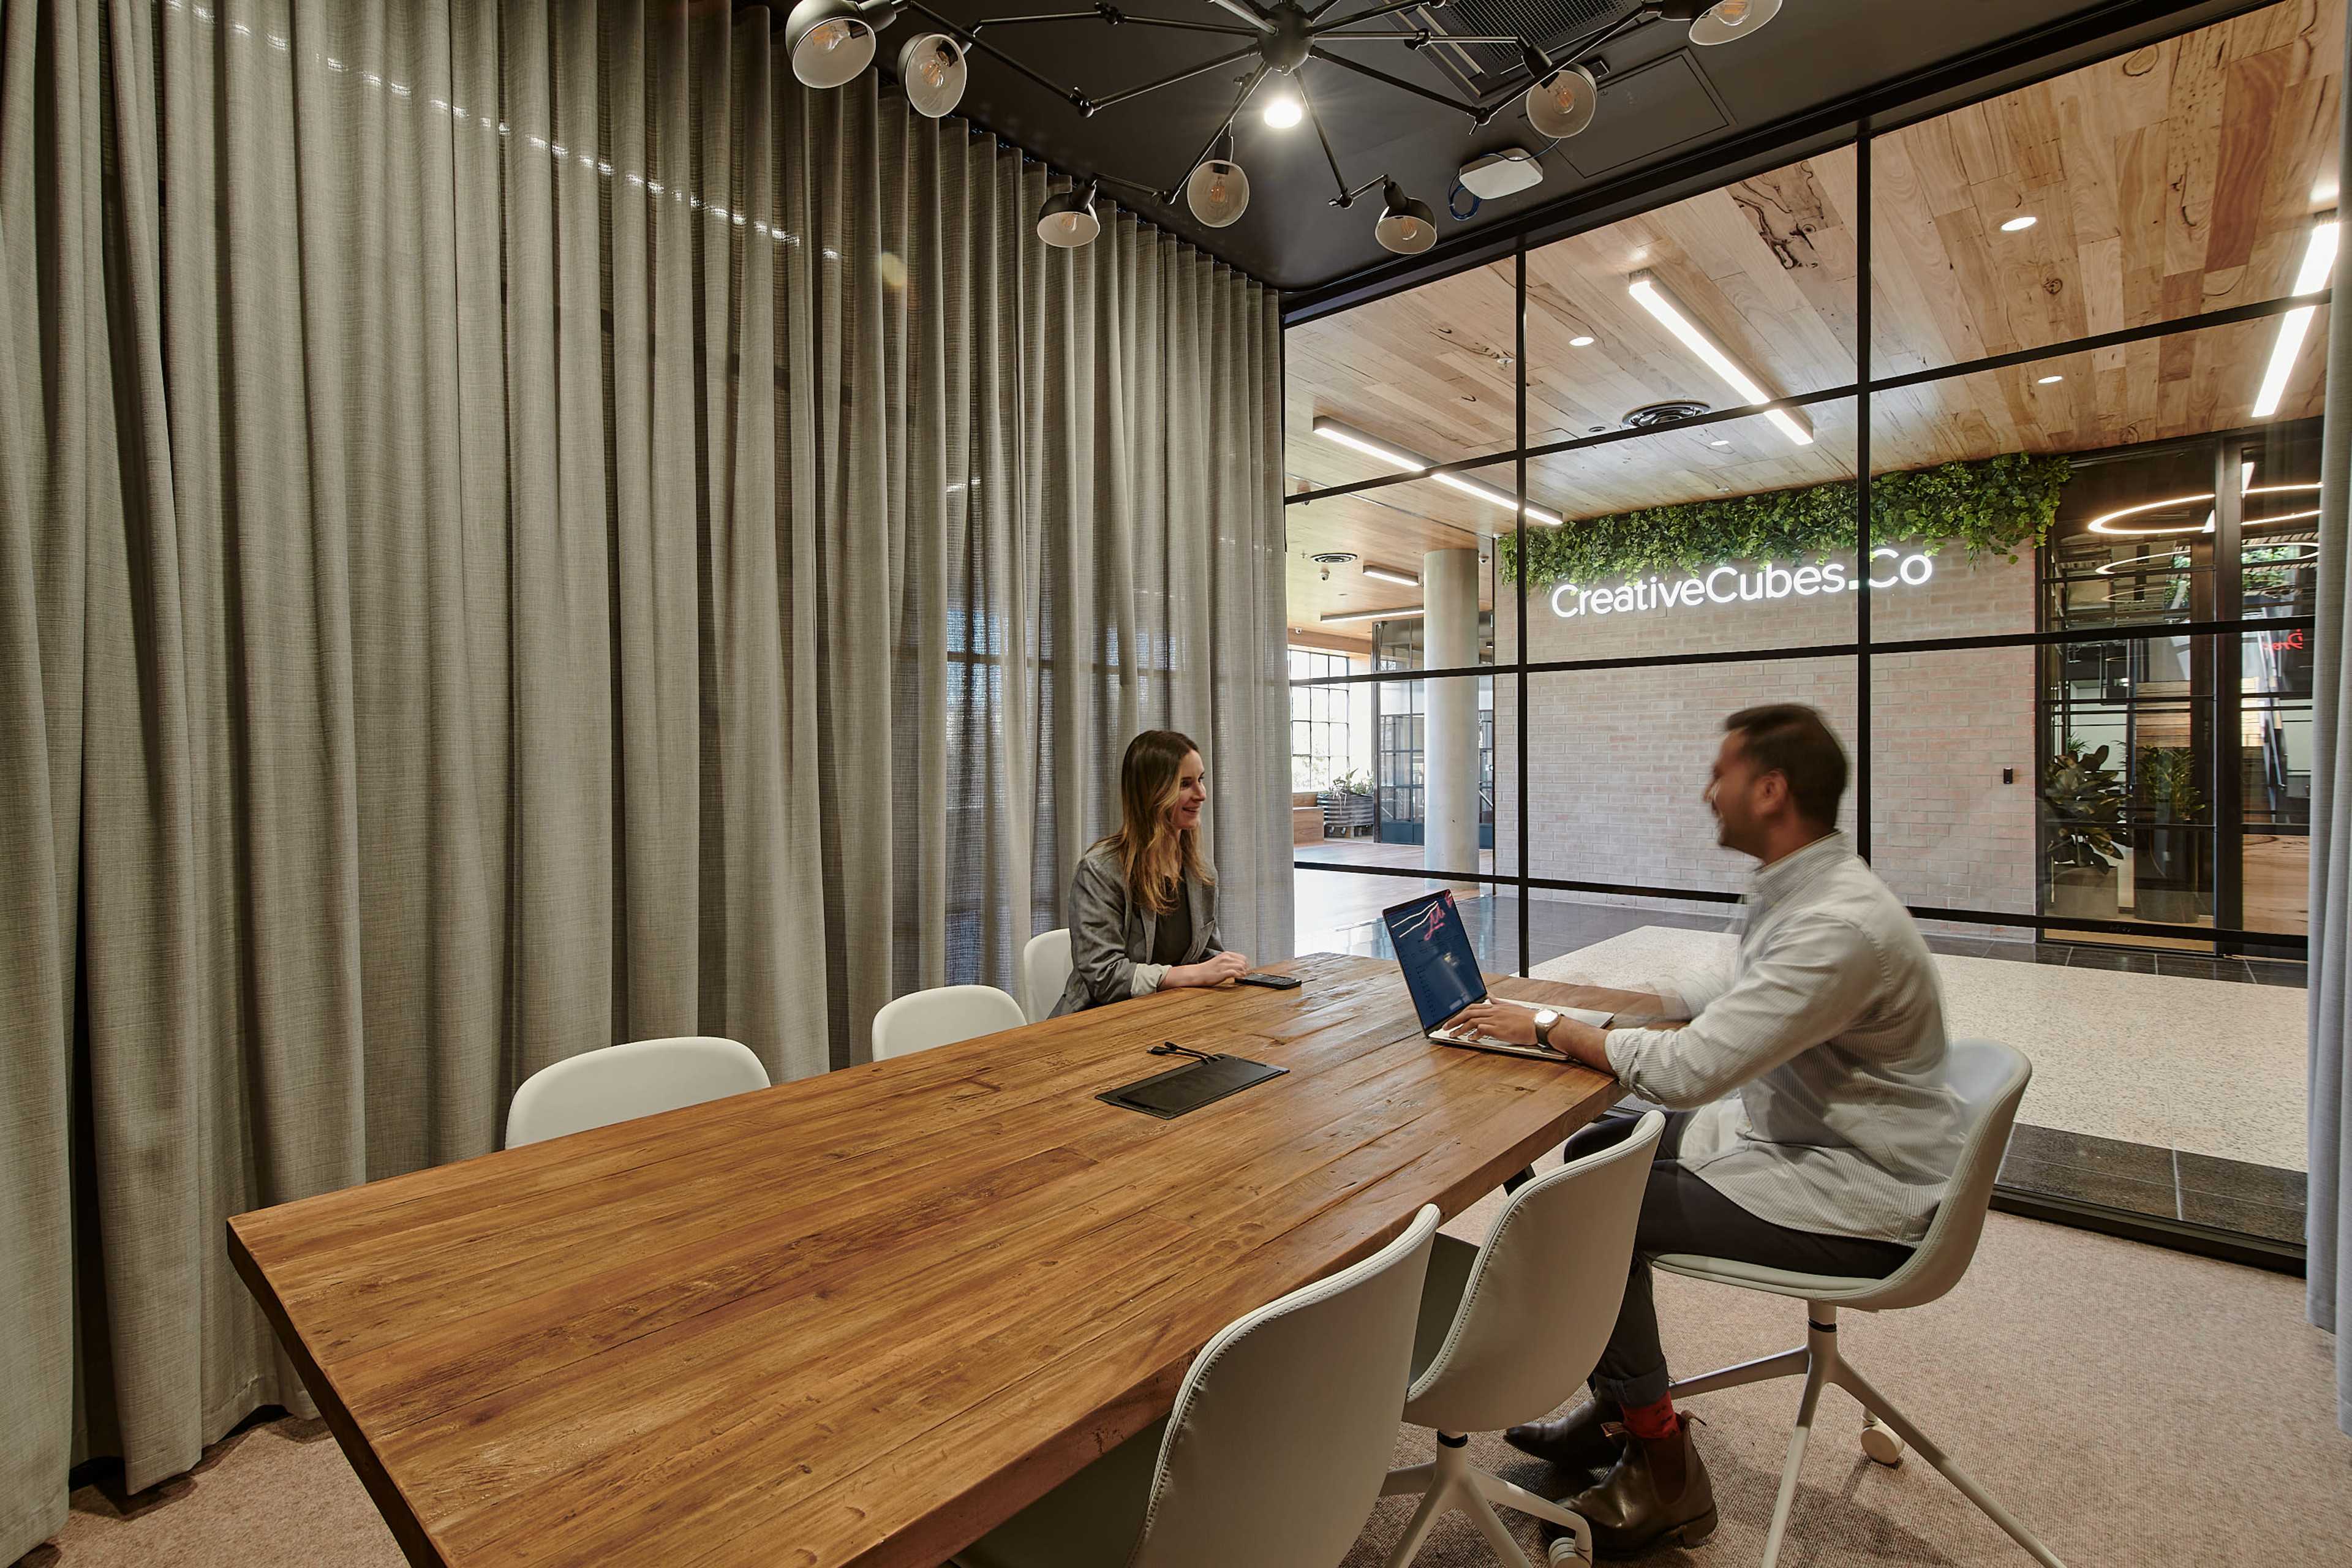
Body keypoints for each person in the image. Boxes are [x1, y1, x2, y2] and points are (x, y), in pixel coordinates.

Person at [1454, 703, 1963, 1556]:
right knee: (1596, 1148)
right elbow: (1717, 996)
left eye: (1720, 773)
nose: (1707, 791)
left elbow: (1692, 1070)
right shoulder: (1805, 887)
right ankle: (1619, 1410)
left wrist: (1548, 1028)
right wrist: (1576, 1010)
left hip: (1860, 1195)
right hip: (1813, 1143)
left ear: (1770, 790)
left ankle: (1665, 1468)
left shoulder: (1834, 927)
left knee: (1587, 1208)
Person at [1052, 729, 1248, 1016]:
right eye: (1185, 784)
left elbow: (1206, 954)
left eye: (1201, 780)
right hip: (1101, 1021)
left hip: (1172, 1015)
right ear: (1152, 793)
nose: (1202, 794)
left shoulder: (1201, 872)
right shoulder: (1100, 870)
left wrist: (1225, 968)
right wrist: (1189, 975)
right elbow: (1105, 977)